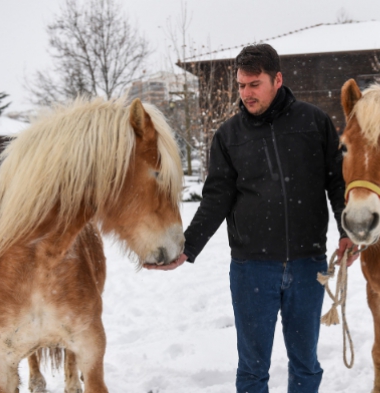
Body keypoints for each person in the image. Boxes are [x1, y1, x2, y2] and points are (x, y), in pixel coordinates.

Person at [145, 43, 358, 393]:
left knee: (306, 365)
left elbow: (337, 182)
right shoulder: (229, 136)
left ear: (277, 80)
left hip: (308, 264)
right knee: (253, 369)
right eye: (241, 85)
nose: (245, 93)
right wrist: (187, 248)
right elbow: (216, 199)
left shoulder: (313, 122)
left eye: (254, 84)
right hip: (252, 269)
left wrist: (347, 231)